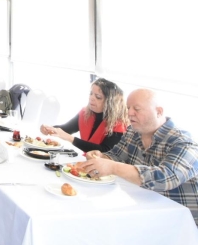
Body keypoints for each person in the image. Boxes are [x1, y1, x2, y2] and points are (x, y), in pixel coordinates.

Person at [80, 89, 198, 225]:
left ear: (159, 112)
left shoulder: (184, 142)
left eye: (137, 109)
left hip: (183, 223)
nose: (130, 113)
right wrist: (101, 157)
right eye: (128, 108)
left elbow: (167, 178)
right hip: (144, 211)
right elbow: (116, 156)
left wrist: (113, 167)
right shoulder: (132, 131)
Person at [40, 78, 128, 153]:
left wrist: (70, 138)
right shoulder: (85, 112)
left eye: (98, 97)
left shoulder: (119, 123)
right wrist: (49, 129)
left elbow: (105, 151)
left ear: (110, 103)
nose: (91, 98)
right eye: (91, 93)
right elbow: (66, 129)